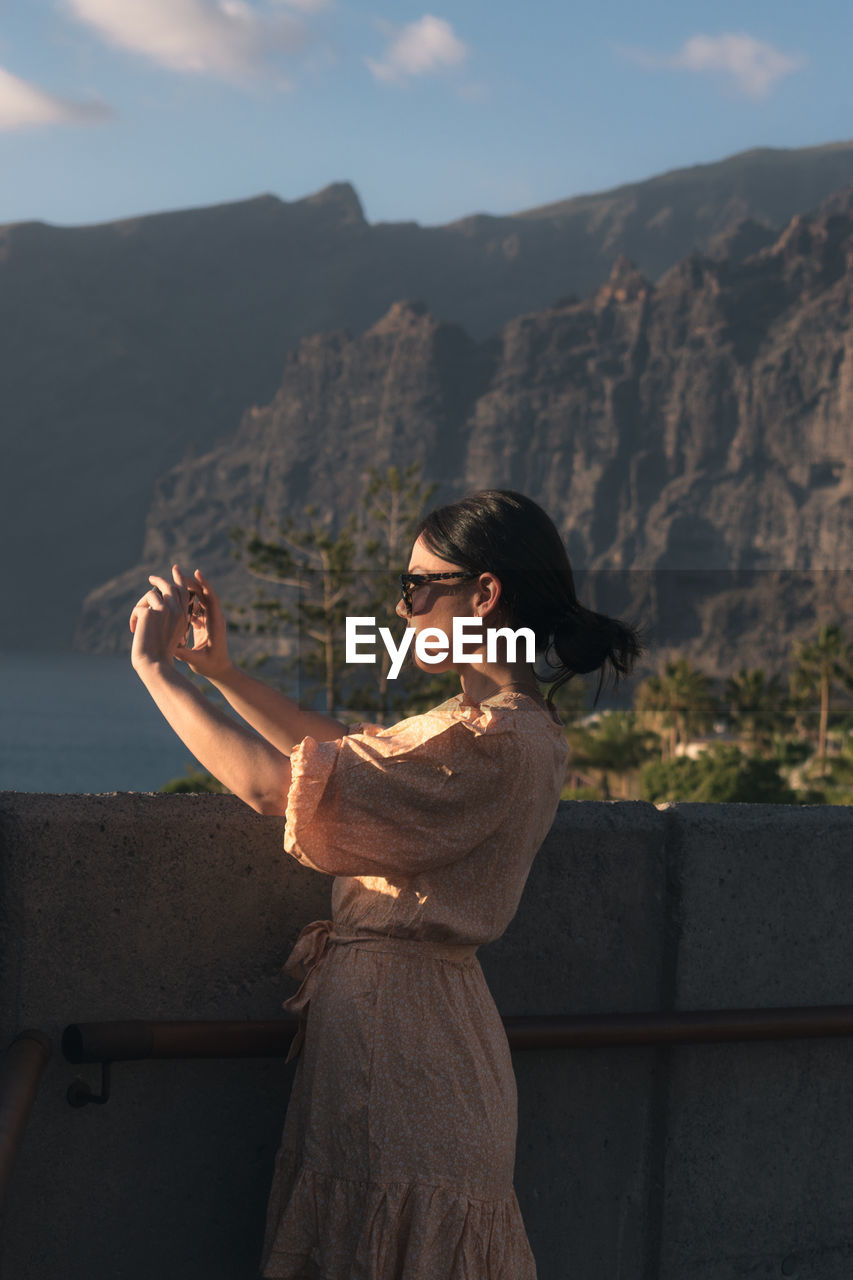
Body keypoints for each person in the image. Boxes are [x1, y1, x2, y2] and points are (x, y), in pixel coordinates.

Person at [129, 488, 645, 1279]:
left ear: (484, 594)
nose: (402, 609)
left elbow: (277, 790)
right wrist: (221, 673)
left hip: (406, 1061)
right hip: (417, 1042)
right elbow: (337, 752)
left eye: (415, 587)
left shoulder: (494, 744)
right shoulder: (503, 727)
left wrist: (158, 673)